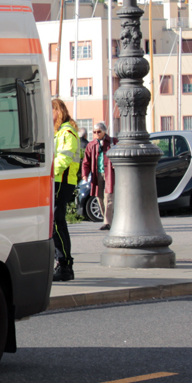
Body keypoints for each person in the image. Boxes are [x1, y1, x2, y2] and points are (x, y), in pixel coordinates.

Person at [52, 98, 82, 282]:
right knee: (56, 223)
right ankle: (62, 264)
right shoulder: (60, 132)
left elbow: (63, 160)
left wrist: (48, 174)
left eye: (51, 110)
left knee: (57, 223)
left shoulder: (66, 132)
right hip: (58, 180)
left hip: (60, 181)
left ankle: (65, 265)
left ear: (58, 111)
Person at [83, 121, 117, 230]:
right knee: (99, 197)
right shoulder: (91, 144)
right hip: (97, 174)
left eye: (99, 132)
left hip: (109, 174)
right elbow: (86, 161)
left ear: (104, 131)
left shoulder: (113, 142)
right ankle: (107, 219)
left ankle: (108, 222)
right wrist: (84, 174)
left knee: (109, 198)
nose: (97, 134)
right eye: (94, 132)